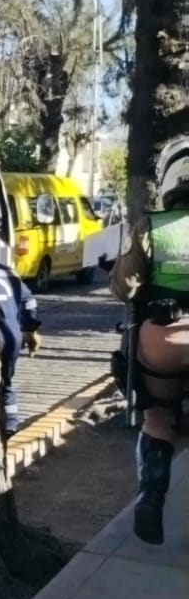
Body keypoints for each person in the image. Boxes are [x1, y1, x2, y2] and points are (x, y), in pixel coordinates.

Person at [111, 181, 189, 545]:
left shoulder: (152, 227)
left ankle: (151, 498)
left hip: (163, 335)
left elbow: (123, 287)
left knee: (158, 418)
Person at [0, 238, 41, 438]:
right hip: (12, 336)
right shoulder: (8, 272)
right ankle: (10, 426)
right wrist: (29, 329)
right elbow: (29, 301)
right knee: (5, 382)